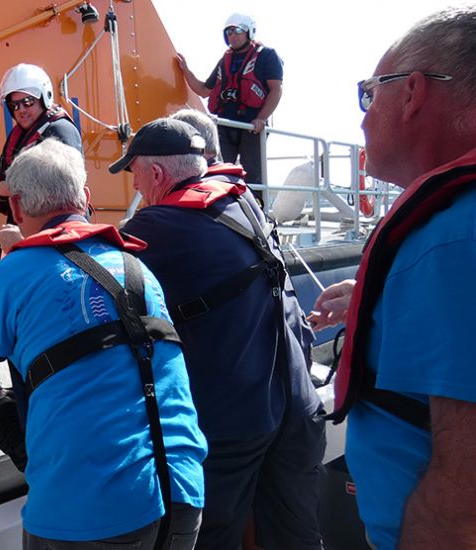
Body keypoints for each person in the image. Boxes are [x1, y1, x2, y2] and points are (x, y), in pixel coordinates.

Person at [0, 138, 207, 549]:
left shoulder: (11, 275)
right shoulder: (138, 267)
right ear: (84, 197)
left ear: (16, 208)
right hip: (182, 490)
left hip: (87, 510)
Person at [114, 118, 325, 550]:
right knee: (296, 537)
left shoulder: (157, 226)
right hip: (297, 410)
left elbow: (87, 275)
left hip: (235, 424)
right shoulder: (243, 199)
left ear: (155, 174)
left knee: (210, 539)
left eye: (133, 172)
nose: (133, 183)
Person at [308, 7, 476, 548]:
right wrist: (379, 301)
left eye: (370, 92)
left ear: (413, 94)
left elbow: (465, 494)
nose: (361, 117)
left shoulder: (453, 239)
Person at [174, 12, 282, 199]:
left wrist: (261, 119)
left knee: (253, 176)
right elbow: (204, 90)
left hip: (251, 128)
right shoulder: (225, 60)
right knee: (219, 173)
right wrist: (186, 71)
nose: (232, 35)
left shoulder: (267, 56)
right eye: (228, 32)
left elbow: (276, 89)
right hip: (225, 127)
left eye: (237, 31)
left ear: (249, 31)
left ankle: (256, 212)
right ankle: (223, 210)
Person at [0, 63, 82, 214]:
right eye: (14, 105)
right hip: (26, 222)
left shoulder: (60, 130)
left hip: (55, 225)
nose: (21, 109)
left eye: (28, 102)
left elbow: (54, 181)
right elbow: (1, 166)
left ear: (44, 98)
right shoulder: (20, 133)